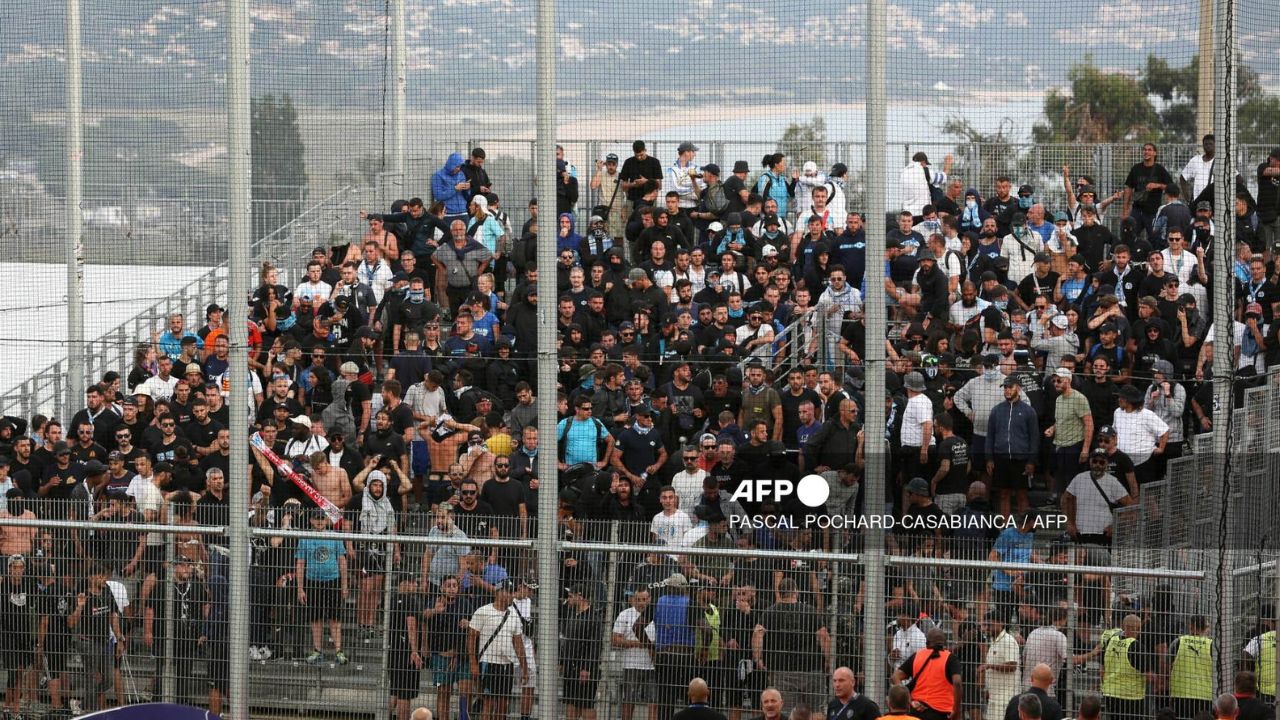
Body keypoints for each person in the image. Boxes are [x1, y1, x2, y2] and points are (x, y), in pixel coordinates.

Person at [295, 509, 350, 665]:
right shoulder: (305, 538)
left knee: (335, 618)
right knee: (315, 618)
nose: (319, 521)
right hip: (312, 581)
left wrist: (344, 585)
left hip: (333, 580)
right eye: (316, 518)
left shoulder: (334, 536)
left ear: (327, 520)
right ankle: (317, 650)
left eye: (322, 519)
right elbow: (300, 563)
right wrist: (300, 588)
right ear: (311, 521)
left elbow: (342, 561)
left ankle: (338, 651)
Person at [468, 579, 529, 720]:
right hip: (488, 662)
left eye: (511, 592)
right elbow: (471, 638)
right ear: (498, 592)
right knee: (488, 702)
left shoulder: (514, 615)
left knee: (503, 704)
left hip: (507, 664)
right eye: (507, 592)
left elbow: (518, 644)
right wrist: (473, 663)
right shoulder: (483, 611)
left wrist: (524, 669)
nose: (510, 596)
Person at [893, 628, 963, 720]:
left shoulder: (917, 656)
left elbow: (895, 676)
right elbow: (957, 682)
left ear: (927, 643)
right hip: (941, 712)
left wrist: (908, 700)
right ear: (944, 643)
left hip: (916, 710)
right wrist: (956, 710)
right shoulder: (951, 659)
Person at [1167, 615, 1215, 720]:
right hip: (1204, 695)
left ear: (1191, 627)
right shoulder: (1212, 646)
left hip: (1180, 694)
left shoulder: (1178, 642)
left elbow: (1167, 664)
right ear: (1206, 628)